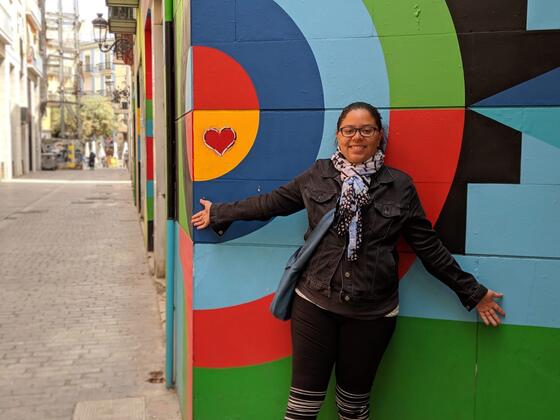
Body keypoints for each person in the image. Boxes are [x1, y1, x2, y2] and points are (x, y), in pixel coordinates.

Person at [192, 102, 505, 420]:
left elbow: (428, 247)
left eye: (367, 129)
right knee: (301, 408)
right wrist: (220, 213)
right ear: (339, 137)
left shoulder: (399, 186)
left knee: (353, 408)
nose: (358, 137)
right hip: (314, 303)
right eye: (349, 130)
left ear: (379, 135)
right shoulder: (318, 175)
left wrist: (472, 292)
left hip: (373, 313)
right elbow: (271, 203)